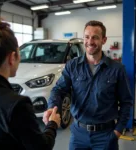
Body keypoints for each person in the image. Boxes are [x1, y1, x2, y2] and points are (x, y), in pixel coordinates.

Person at [43, 20, 133, 150]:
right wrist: (52, 107)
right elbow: (59, 90)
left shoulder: (117, 69)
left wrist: (118, 130)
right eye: (86, 37)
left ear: (104, 40)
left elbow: (126, 102)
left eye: (95, 37)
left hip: (106, 135)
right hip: (78, 134)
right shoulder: (72, 66)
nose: (90, 42)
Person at [0, 17, 60, 150]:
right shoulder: (17, 105)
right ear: (12, 57)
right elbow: (41, 147)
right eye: (19, 54)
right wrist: (52, 124)